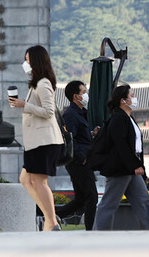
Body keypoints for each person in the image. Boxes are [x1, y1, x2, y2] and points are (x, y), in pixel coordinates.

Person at [9, 44, 63, 231]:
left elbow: (49, 112)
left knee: (39, 181)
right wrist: (23, 105)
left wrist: (25, 105)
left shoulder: (43, 83)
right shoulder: (36, 84)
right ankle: (50, 218)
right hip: (36, 142)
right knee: (26, 179)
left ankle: (51, 222)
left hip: (44, 141)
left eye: (28, 60)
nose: (25, 63)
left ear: (36, 62)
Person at [92, 84, 149, 230]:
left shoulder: (129, 118)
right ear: (123, 100)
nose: (134, 99)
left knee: (143, 200)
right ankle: (99, 233)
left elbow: (136, 148)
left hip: (130, 168)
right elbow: (121, 145)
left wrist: (142, 170)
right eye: (132, 96)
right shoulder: (118, 118)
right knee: (110, 203)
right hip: (120, 168)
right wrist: (135, 166)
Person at [53, 80, 97, 230]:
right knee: (91, 196)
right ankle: (91, 230)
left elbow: (80, 136)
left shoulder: (80, 113)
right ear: (75, 96)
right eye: (83, 92)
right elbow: (69, 138)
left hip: (82, 159)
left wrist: (92, 134)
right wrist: (81, 158)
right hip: (78, 161)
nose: (86, 95)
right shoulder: (71, 114)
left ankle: (52, 217)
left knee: (80, 199)